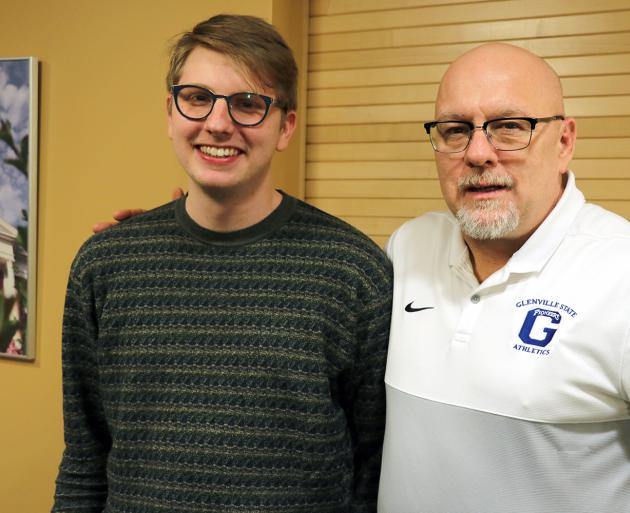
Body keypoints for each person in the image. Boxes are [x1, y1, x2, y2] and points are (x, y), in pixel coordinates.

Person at [376, 43, 630, 513]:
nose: (478, 153)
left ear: (564, 142)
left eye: (509, 127)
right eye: (455, 130)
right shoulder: (409, 247)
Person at [53, 14, 391, 513]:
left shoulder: (353, 272)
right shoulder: (105, 266)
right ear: (170, 112)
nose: (217, 123)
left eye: (249, 104)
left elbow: (372, 470)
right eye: (197, 98)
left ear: (285, 126)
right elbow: (85, 458)